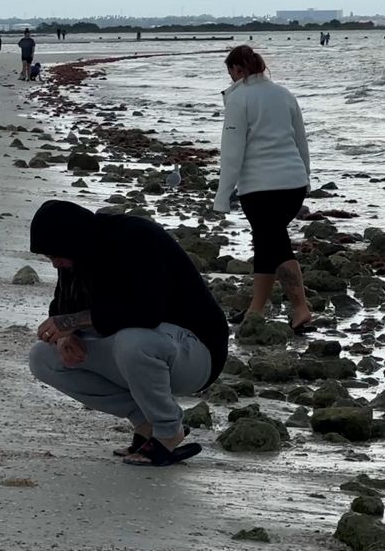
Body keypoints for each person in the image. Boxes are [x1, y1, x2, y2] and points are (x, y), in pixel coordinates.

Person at [27, 201, 229, 467]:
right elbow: (63, 308)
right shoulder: (78, 258)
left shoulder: (136, 237)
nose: (55, 264)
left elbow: (146, 312)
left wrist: (74, 321)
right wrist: (65, 336)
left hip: (196, 354)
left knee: (133, 340)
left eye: (56, 255)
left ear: (73, 239)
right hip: (144, 349)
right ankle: (145, 420)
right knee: (44, 356)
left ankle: (169, 430)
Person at [212, 45, 313, 331]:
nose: (230, 78)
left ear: (237, 70)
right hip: (292, 184)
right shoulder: (284, 95)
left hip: (260, 188)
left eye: (230, 72)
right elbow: (301, 142)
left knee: (276, 246)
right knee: (267, 244)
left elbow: (232, 152)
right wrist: (306, 178)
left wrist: (222, 197)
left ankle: (301, 308)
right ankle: (255, 310)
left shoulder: (238, 99)